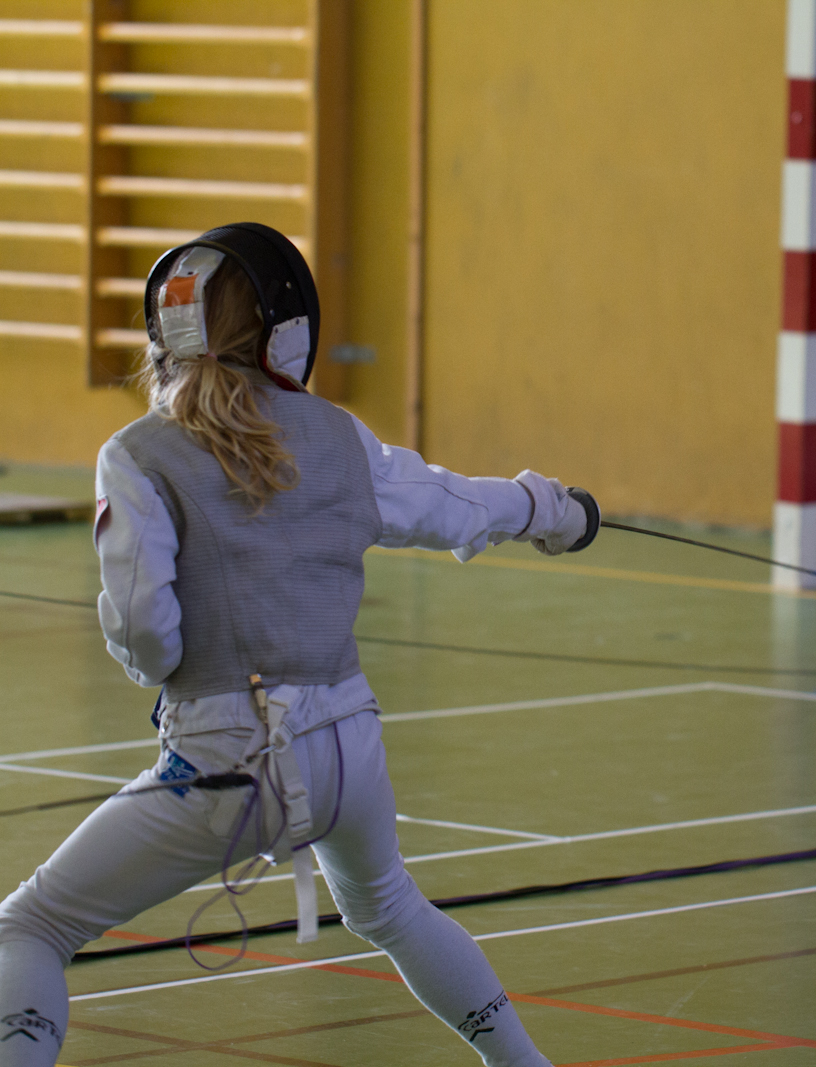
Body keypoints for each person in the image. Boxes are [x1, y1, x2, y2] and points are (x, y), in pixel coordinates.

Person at [0, 224, 597, 1067]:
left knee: (30, 926)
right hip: (350, 750)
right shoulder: (340, 436)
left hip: (227, 761)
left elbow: (146, 634)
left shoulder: (136, 455)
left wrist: (157, 672)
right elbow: (456, 504)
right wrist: (557, 511)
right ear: (287, 332)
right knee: (390, 907)